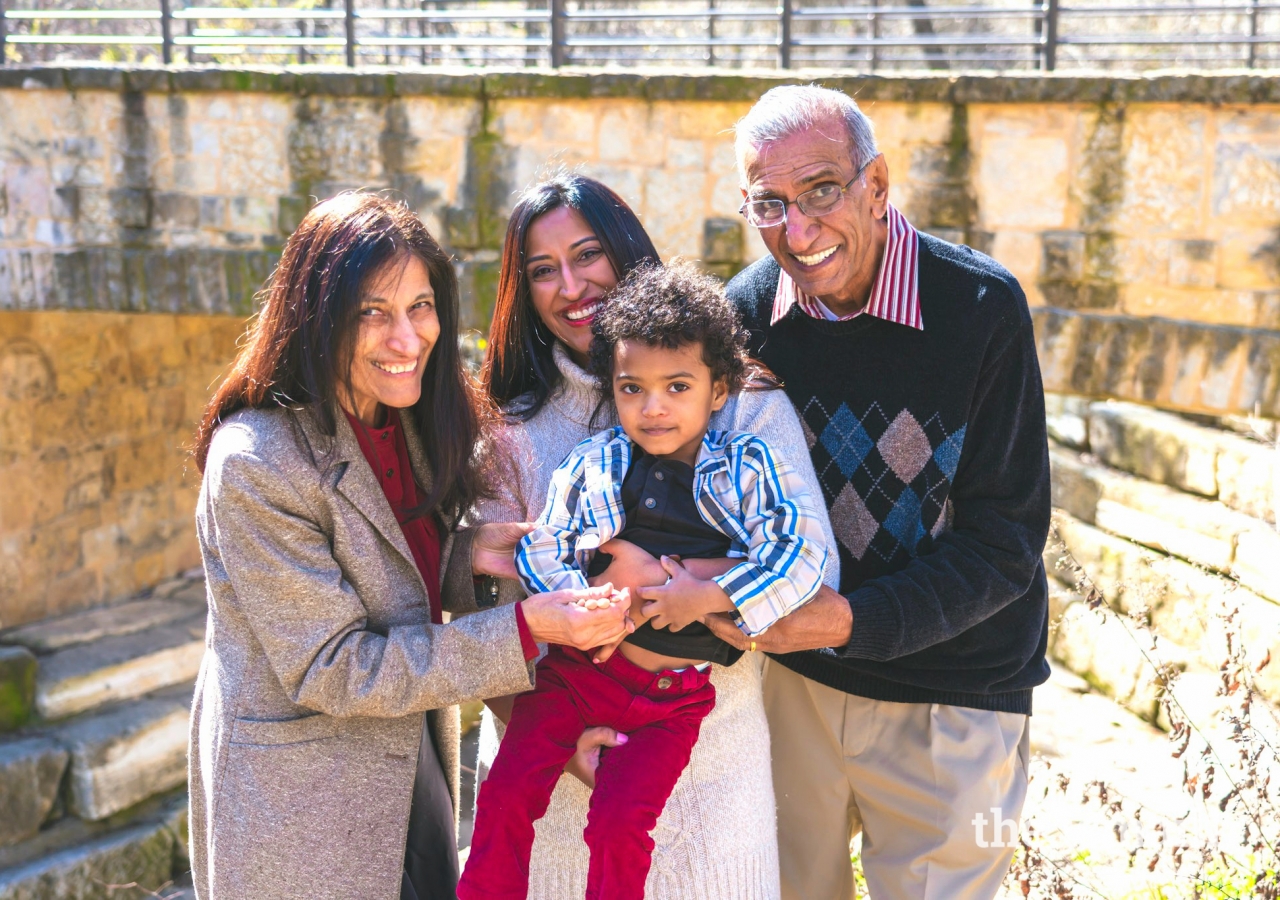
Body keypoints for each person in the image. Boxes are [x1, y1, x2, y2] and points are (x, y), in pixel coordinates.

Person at [187, 192, 630, 900]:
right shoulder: (256, 461)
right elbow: (335, 667)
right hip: (301, 803)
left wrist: (469, 556)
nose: (407, 338)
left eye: (420, 307)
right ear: (315, 317)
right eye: (373, 312)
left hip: (413, 762)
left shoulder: (411, 417)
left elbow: (382, 565)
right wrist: (523, 626)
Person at [711, 84, 1052, 900]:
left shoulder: (981, 307)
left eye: (822, 190)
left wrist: (854, 621)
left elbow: (1006, 542)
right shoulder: (745, 313)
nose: (797, 228)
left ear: (877, 184)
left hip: (961, 698)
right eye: (769, 202)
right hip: (795, 687)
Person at [475, 172, 841, 898]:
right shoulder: (508, 428)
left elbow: (812, 574)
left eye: (588, 255)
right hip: (557, 770)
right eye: (543, 270)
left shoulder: (748, 403)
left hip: (712, 766)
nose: (571, 285)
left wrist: (686, 585)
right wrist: (554, 733)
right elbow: (484, 613)